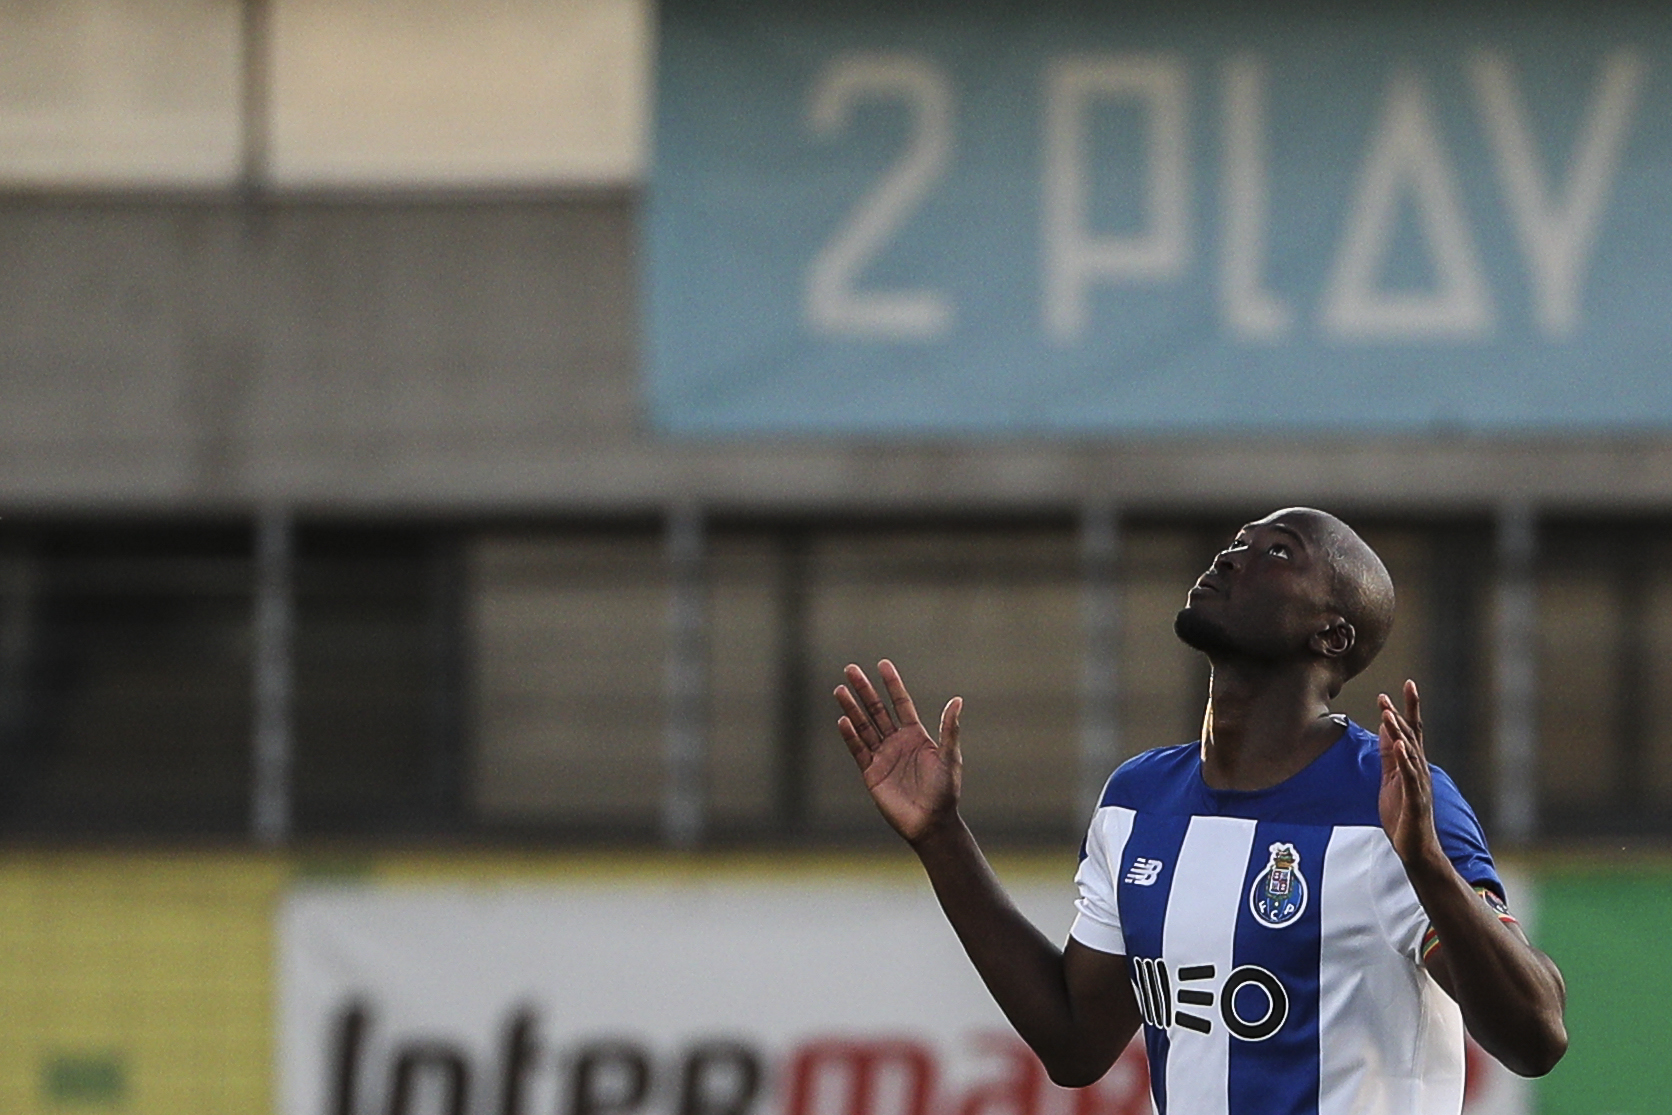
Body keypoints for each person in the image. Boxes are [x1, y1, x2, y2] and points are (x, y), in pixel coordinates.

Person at [833, 508, 1566, 1115]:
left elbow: (1537, 1035)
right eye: (1235, 542)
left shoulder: (1391, 798)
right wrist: (940, 837)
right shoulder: (1138, 800)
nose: (1232, 555)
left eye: (1277, 551)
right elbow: (1076, 1042)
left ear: (1331, 634)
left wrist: (1428, 867)